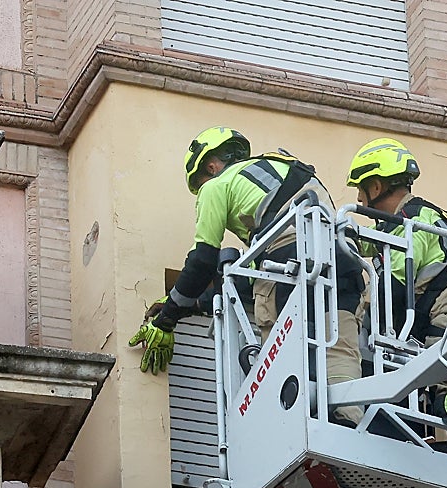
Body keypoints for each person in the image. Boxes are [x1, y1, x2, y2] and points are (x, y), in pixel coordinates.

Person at [130, 125, 365, 424]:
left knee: (284, 350)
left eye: (201, 182)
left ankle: (297, 424)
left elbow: (202, 260)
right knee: (339, 349)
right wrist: (195, 303)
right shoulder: (281, 168)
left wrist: (167, 319)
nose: (202, 190)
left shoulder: (217, 185)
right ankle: (347, 422)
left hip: (288, 264)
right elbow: (245, 278)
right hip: (343, 264)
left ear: (212, 166)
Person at [346, 137, 447, 459]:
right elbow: (374, 249)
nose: (359, 199)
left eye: (361, 189)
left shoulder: (413, 222)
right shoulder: (410, 222)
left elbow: (395, 288)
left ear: (376, 186)